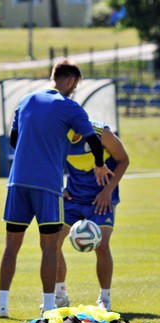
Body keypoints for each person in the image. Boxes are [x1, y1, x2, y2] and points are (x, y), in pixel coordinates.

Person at [0, 60, 112, 318]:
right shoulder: (70, 106)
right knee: (49, 247)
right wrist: (100, 165)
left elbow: (14, 139)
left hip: (17, 182)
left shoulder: (25, 100)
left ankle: (1, 305)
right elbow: (93, 139)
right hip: (48, 186)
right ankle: (49, 305)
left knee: (11, 246)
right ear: (70, 81)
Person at [56, 120, 129, 311]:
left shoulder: (101, 133)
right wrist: (58, 188)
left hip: (101, 199)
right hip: (73, 198)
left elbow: (124, 159)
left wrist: (108, 190)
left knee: (102, 244)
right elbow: (50, 162)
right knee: (51, 242)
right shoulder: (59, 135)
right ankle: (60, 295)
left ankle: (104, 299)